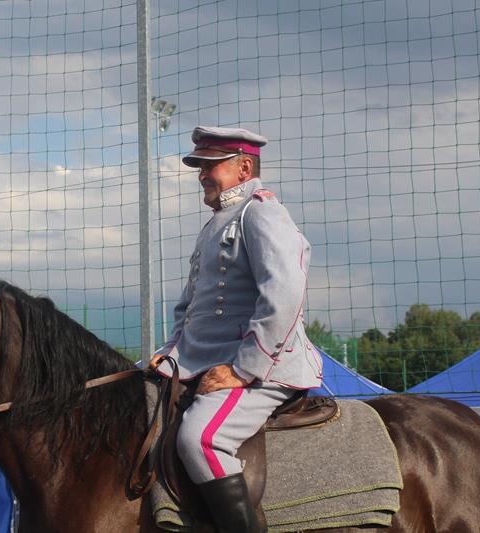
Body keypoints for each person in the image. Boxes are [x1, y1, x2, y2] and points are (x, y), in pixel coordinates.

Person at [150, 126, 323, 532]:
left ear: (244, 168)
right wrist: (170, 354)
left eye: (210, 166)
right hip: (204, 362)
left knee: (200, 439)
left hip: (262, 369)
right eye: (200, 166)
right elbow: (190, 307)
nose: (201, 175)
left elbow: (285, 292)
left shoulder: (260, 212)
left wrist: (244, 369)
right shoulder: (216, 223)